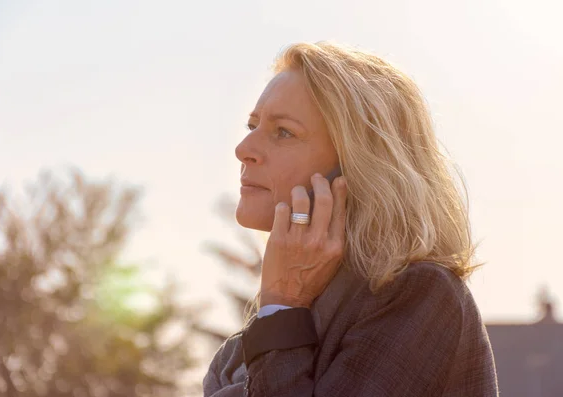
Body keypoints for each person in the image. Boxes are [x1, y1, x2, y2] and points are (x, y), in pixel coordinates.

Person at [203, 41, 498, 397]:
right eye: (252, 125)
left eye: (283, 132)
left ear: (357, 166)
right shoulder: (238, 353)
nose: (243, 149)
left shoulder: (421, 296)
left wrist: (284, 302)